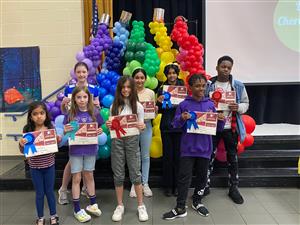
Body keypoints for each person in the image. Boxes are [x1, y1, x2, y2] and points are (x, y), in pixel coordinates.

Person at [162, 74, 225, 220]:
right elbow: (175, 124)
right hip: (187, 148)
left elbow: (218, 128)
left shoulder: (210, 104)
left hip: (205, 148)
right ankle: (180, 206)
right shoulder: (184, 104)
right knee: (184, 177)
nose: (201, 88)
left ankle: (197, 201)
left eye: (203, 85)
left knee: (202, 177)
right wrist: (181, 118)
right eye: (197, 86)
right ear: (190, 88)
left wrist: (221, 120)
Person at [205, 55, 249, 204]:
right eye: (223, 66)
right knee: (208, 156)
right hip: (212, 126)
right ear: (217, 67)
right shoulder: (209, 84)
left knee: (232, 157)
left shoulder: (238, 85)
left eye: (229, 67)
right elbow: (202, 101)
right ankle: (205, 185)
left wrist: (239, 107)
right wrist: (209, 108)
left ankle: (234, 187)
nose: (226, 69)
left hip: (231, 127)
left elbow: (245, 103)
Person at [106, 76, 149, 222]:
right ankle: (119, 205)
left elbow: (141, 126)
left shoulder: (139, 106)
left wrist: (142, 126)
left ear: (132, 89)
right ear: (119, 88)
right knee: (118, 173)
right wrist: (109, 125)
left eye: (128, 87)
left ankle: (141, 205)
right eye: (123, 87)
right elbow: (111, 125)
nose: (126, 90)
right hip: (117, 141)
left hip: (132, 140)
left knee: (135, 172)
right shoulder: (113, 107)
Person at [58, 62, 99, 205]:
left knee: (87, 168)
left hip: (88, 131)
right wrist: (63, 105)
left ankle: (86, 189)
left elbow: (96, 110)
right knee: (73, 163)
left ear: (88, 73)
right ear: (75, 73)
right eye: (79, 72)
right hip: (75, 130)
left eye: (84, 72)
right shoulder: (69, 88)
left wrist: (97, 106)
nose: (81, 74)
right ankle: (63, 189)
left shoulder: (94, 89)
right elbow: (65, 112)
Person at [63, 86, 104, 222]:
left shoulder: (95, 112)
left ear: (89, 98)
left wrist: (99, 131)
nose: (82, 100)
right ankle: (76, 209)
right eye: (79, 97)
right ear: (74, 98)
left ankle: (92, 204)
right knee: (76, 178)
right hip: (75, 150)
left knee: (89, 175)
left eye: (84, 97)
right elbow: (65, 131)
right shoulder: (70, 114)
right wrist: (66, 129)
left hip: (91, 149)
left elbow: (100, 128)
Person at [19, 101, 59, 225]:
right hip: (35, 168)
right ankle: (40, 217)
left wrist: (57, 140)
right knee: (39, 194)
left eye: (41, 113)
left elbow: (55, 146)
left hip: (49, 166)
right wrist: (21, 144)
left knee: (50, 192)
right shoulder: (27, 130)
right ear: (30, 116)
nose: (39, 116)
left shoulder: (50, 128)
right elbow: (23, 151)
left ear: (46, 114)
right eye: (35, 114)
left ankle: (53, 216)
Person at [156, 63, 184, 196]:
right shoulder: (162, 89)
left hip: (179, 127)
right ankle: (167, 186)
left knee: (179, 157)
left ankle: (177, 186)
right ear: (166, 75)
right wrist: (159, 102)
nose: (171, 75)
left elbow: (186, 107)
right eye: (169, 73)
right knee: (167, 157)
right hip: (166, 126)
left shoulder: (183, 87)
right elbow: (159, 110)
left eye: (174, 73)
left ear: (177, 74)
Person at [129, 68, 155, 198]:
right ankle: (135, 183)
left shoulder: (150, 93)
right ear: (133, 79)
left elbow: (152, 113)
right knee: (134, 156)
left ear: (145, 79)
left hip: (147, 127)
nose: (139, 80)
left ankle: (145, 183)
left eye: (141, 78)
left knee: (145, 156)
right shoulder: (128, 93)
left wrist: (154, 110)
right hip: (132, 128)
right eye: (137, 77)